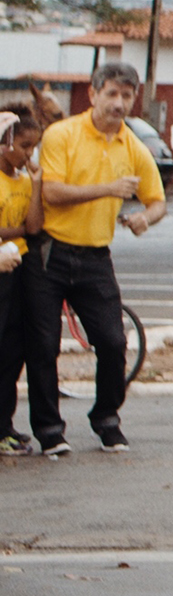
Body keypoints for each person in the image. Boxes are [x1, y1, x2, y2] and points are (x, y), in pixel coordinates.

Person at [34, 62, 165, 453]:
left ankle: (107, 417)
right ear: (92, 95)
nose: (119, 103)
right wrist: (108, 188)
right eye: (111, 93)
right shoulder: (62, 134)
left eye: (126, 96)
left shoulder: (133, 146)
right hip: (51, 251)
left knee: (111, 341)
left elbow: (157, 202)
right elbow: (52, 193)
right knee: (42, 345)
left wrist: (145, 218)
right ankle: (49, 430)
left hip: (95, 256)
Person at [0, 107, 49, 450]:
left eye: (34, 146)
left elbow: (34, 227)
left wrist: (36, 186)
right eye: (24, 145)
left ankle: (5, 423)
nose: (29, 153)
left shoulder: (21, 179)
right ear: (5, 144)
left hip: (20, 271)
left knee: (13, 352)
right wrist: (17, 233)